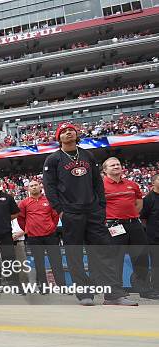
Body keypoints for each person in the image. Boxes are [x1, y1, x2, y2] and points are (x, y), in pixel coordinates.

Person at [43, 123, 134, 305]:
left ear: (77, 134)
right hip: (70, 212)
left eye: (71, 130)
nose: (68, 132)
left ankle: (113, 294)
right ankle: (84, 294)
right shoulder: (53, 159)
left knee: (105, 252)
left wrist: (100, 205)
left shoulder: (88, 155)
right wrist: (60, 210)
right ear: (58, 137)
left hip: (93, 211)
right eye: (64, 131)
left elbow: (97, 183)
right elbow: (49, 187)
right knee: (75, 254)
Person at [103, 157, 158, 299]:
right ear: (105, 170)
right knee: (116, 259)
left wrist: (131, 216)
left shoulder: (132, 184)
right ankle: (116, 289)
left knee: (141, 257)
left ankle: (143, 288)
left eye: (118, 164)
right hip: (114, 225)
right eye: (112, 165)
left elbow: (139, 203)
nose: (116, 166)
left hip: (134, 224)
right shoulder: (100, 186)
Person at [17, 180, 65, 289]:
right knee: (39, 263)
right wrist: (28, 229)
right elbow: (21, 219)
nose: (34, 187)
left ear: (40, 187)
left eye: (35, 185)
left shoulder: (48, 200)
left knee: (56, 261)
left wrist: (52, 227)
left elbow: (55, 216)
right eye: (31, 186)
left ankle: (62, 286)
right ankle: (43, 287)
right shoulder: (24, 203)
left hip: (50, 236)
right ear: (28, 189)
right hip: (34, 237)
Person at [140, 174, 159, 291]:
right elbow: (143, 218)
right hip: (154, 238)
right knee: (156, 264)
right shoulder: (148, 199)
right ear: (153, 182)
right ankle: (156, 287)